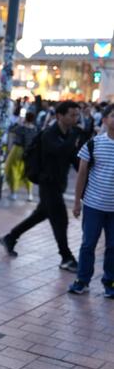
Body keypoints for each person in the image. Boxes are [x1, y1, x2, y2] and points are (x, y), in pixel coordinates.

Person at [0, 101, 82, 271]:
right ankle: (66, 257)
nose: (76, 118)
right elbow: (59, 151)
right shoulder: (49, 134)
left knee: (40, 214)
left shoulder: (70, 133)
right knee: (60, 219)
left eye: (77, 114)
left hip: (59, 183)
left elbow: (73, 158)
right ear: (60, 116)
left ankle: (11, 237)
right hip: (47, 183)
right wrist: (75, 137)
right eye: (72, 115)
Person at [69, 105, 114, 296]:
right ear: (104, 120)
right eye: (113, 115)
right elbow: (81, 174)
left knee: (113, 246)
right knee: (88, 244)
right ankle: (82, 280)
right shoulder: (93, 144)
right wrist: (77, 202)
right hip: (93, 205)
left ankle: (110, 282)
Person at [6, 112, 38, 201]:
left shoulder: (20, 128)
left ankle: (14, 193)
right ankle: (30, 194)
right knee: (27, 172)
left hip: (17, 150)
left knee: (14, 171)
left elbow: (11, 130)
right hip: (29, 152)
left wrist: (19, 122)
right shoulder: (35, 129)